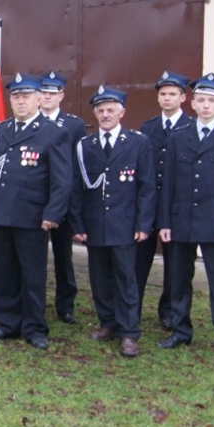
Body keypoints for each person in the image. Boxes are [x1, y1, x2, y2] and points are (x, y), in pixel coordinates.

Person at [0, 73, 72, 350]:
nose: (20, 101)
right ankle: (7, 323)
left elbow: (62, 179)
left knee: (32, 274)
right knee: (5, 272)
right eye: (16, 97)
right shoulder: (2, 129)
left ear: (39, 99)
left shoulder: (53, 132)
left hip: (33, 215)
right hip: (4, 211)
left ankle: (34, 327)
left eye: (26, 96)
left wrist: (53, 213)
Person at [158, 73, 214, 362]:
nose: (206, 105)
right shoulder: (178, 137)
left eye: (212, 100)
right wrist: (165, 222)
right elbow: (168, 183)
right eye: (201, 100)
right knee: (178, 279)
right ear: (193, 103)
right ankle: (180, 329)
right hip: (181, 220)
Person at [69, 86, 156, 358]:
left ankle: (129, 331)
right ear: (95, 113)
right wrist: (77, 224)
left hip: (125, 224)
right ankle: (108, 322)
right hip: (95, 223)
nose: (105, 115)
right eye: (101, 110)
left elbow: (146, 187)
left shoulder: (138, 142)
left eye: (110, 110)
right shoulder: (86, 146)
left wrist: (143, 224)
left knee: (126, 278)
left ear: (122, 112)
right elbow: (77, 188)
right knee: (100, 277)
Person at [135, 70, 193, 329]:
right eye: (163, 94)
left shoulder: (191, 127)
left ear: (183, 98)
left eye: (172, 94)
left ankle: (169, 311)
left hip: (177, 206)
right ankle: (132, 309)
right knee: (138, 261)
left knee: (176, 264)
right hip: (149, 203)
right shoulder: (148, 128)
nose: (167, 98)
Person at [38, 71, 86, 323]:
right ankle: (34, 302)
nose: (47, 97)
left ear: (61, 95)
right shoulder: (30, 121)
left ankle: (65, 305)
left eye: (52, 93)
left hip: (63, 200)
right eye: (43, 92)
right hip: (35, 200)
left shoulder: (74, 125)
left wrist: (73, 208)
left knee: (63, 257)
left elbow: (76, 169)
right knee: (34, 257)